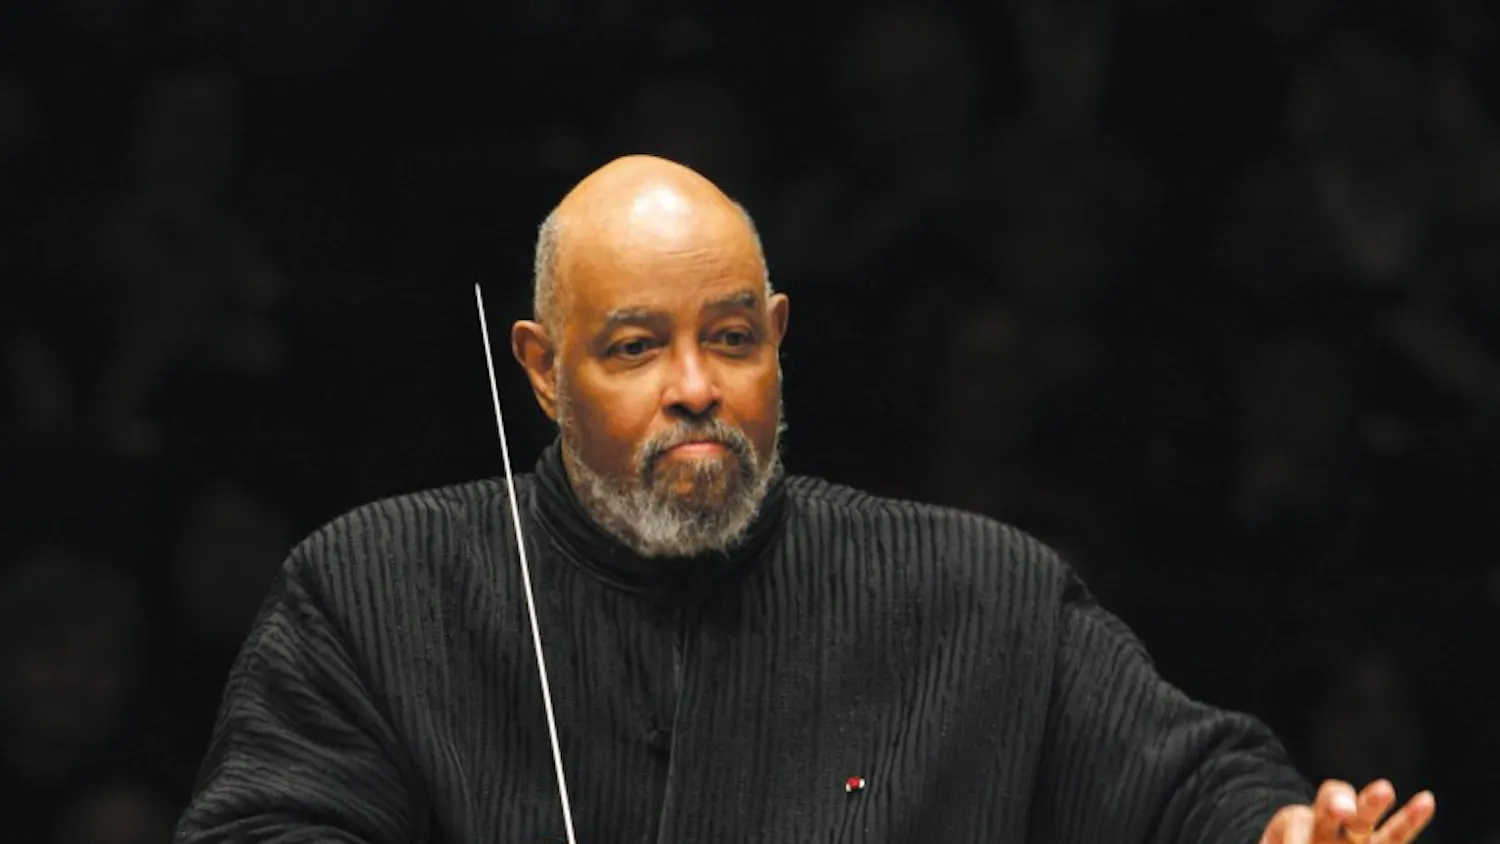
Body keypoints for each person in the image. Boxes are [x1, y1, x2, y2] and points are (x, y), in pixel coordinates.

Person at [174, 155, 1437, 843]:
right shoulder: (373, 587)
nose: (695, 388)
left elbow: (1186, 786)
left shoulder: (977, 590)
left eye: (731, 338)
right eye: (631, 348)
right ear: (544, 370)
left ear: (779, 338)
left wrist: (1278, 833)